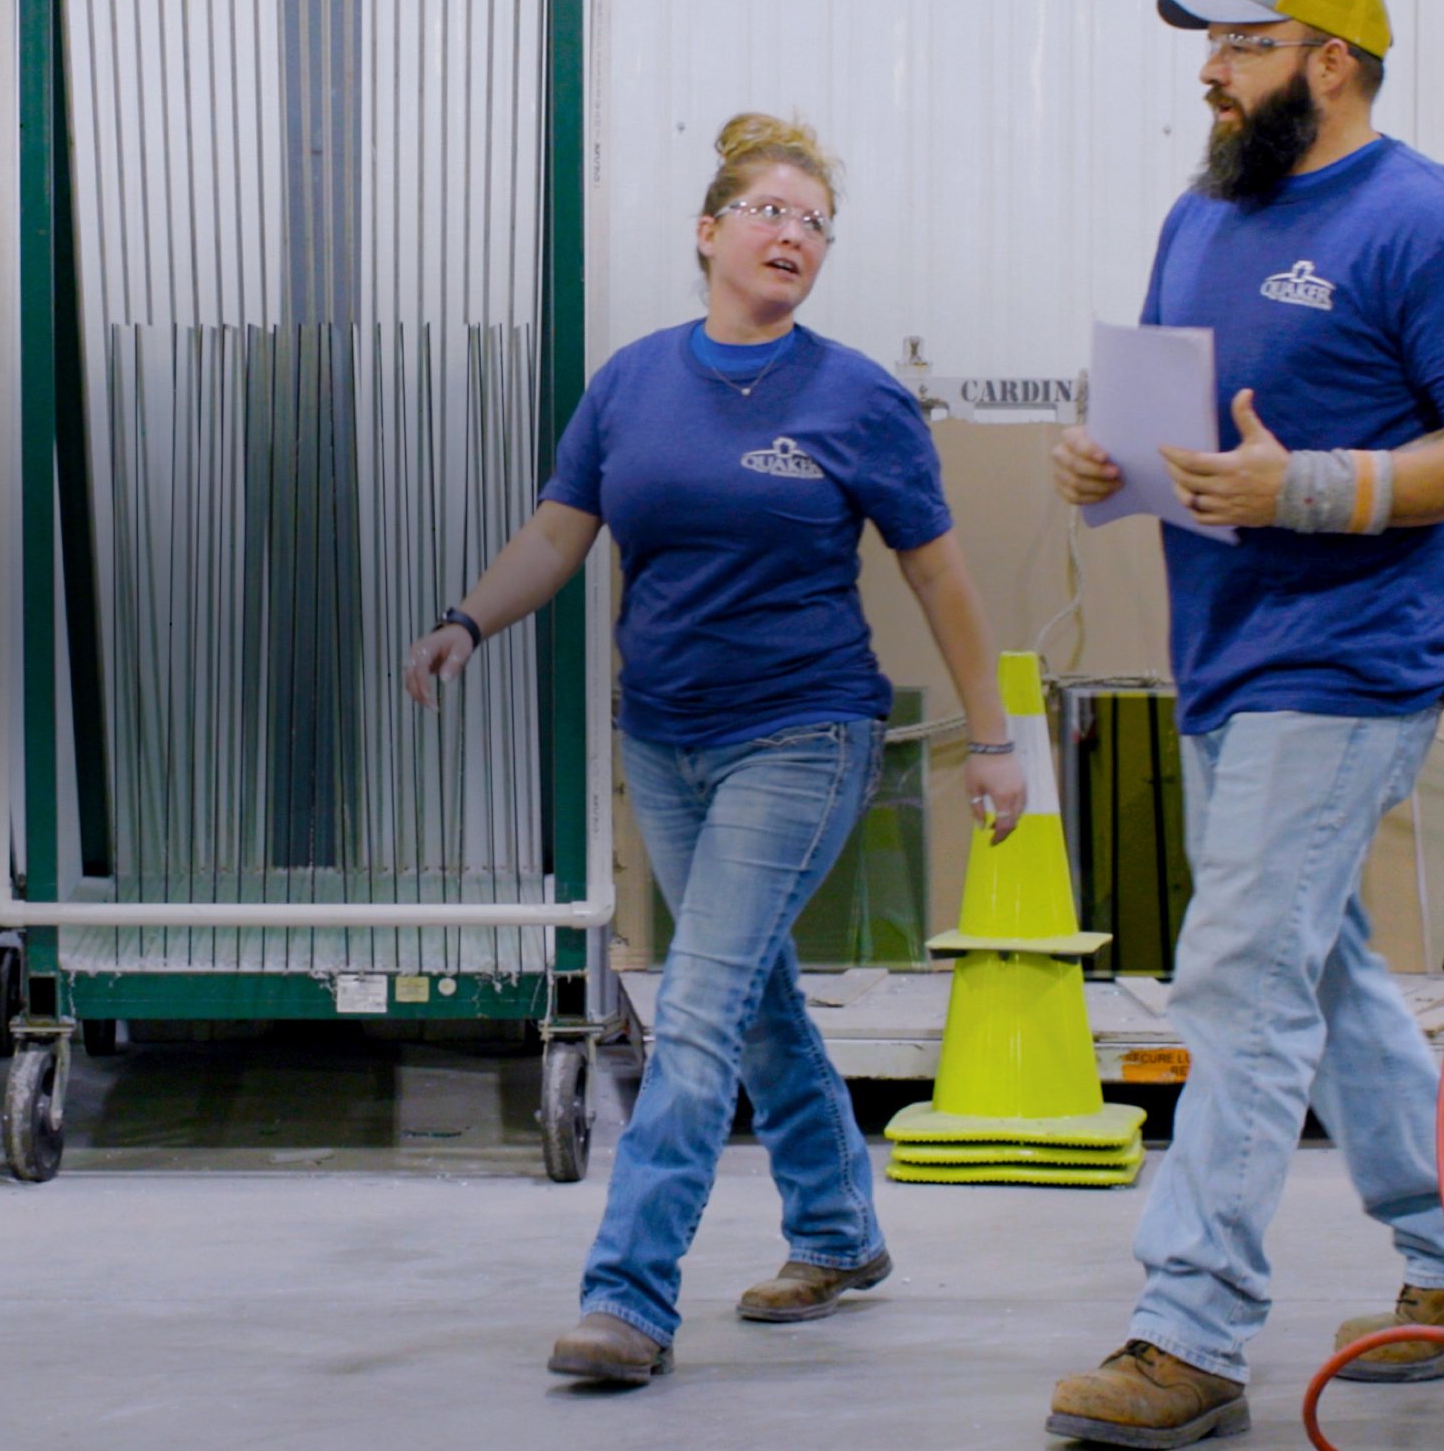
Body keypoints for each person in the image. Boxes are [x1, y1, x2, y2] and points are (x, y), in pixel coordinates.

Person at [398, 112, 1025, 1384]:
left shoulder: (857, 397)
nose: (793, 234)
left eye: (813, 223)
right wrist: (469, 617)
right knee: (752, 998)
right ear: (708, 233)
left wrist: (997, 741)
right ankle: (841, 1231)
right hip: (665, 742)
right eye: (770, 213)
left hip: (805, 733)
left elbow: (940, 574)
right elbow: (559, 536)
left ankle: (629, 1298)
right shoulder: (633, 382)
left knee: (692, 1013)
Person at [1038, 0, 1444, 1449]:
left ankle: (1189, 1329)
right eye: (1208, 48)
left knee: (1244, 982)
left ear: (1329, 59)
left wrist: (1312, 488)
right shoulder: (1203, 215)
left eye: (1240, 47)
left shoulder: (1429, 221)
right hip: (1229, 649)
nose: (1208, 72)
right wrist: (1104, 457)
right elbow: (1174, 415)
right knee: (1319, 975)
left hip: (1345, 659)